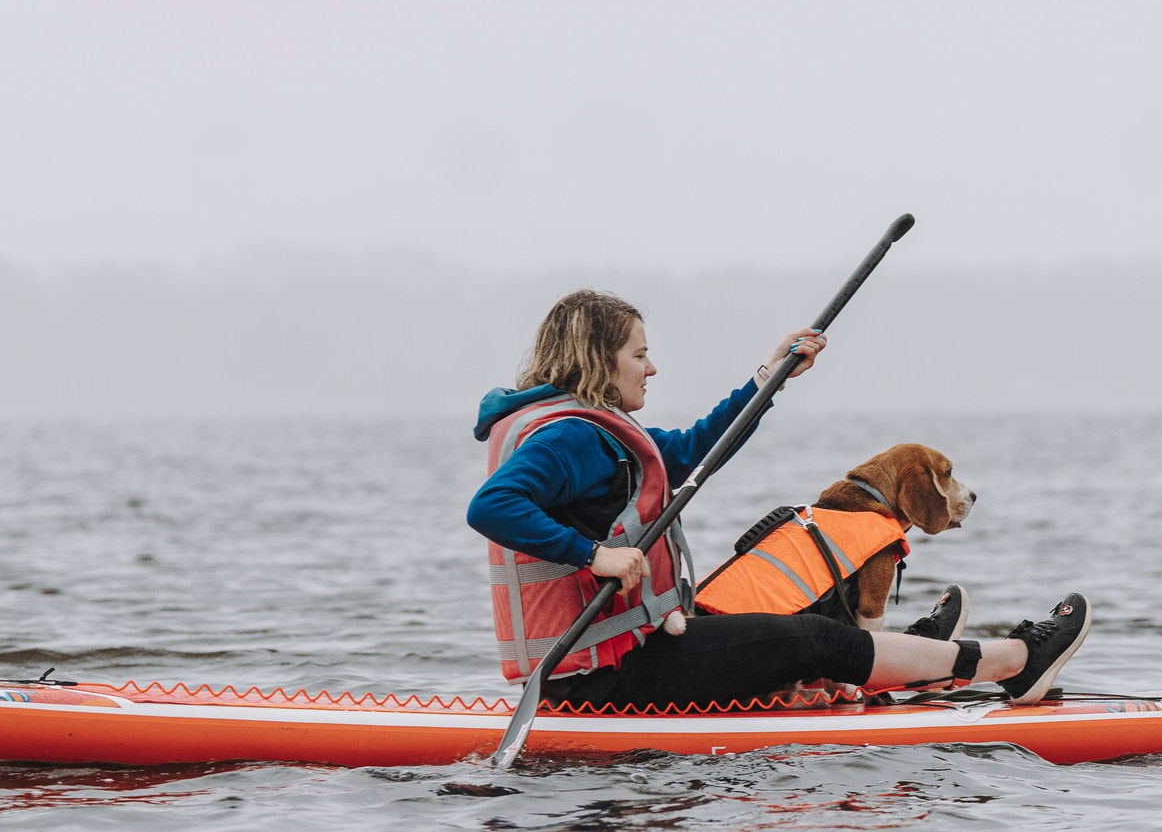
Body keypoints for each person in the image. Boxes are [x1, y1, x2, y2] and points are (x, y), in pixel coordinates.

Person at [468, 288, 1092, 711]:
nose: (651, 368)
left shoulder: (583, 428)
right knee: (810, 638)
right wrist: (593, 555)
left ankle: (916, 659)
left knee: (764, 627)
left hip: (596, 666)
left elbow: (689, 451)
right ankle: (1015, 662)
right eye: (639, 353)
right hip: (601, 682)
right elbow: (491, 506)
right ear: (598, 360)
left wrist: (767, 380)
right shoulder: (572, 435)